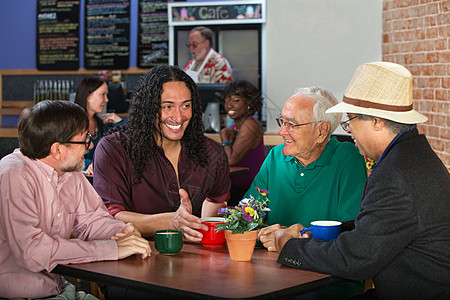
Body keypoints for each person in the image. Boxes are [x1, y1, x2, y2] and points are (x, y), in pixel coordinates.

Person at [274, 62, 450, 299]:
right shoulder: (412, 156)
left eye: (351, 121)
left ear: (377, 121)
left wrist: (288, 245)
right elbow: (377, 226)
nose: (349, 132)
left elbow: (356, 259)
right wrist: (316, 235)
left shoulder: (395, 174)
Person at [0, 100, 151, 299]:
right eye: (84, 140)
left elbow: (92, 221)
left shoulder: (70, 171)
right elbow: (32, 252)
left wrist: (121, 233)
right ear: (58, 150)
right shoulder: (14, 174)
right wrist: (110, 249)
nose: (89, 146)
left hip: (60, 289)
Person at [93, 65, 231, 243]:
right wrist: (171, 222)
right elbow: (110, 218)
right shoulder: (114, 149)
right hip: (133, 259)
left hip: (193, 262)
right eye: (167, 106)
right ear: (148, 108)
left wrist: (198, 229)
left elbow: (216, 200)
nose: (178, 117)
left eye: (186, 106)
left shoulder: (213, 153)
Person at [253, 87, 368, 299]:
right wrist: (264, 234)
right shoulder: (275, 157)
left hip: (326, 284)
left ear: (322, 131)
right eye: (282, 122)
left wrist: (289, 239)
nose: (281, 132)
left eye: (291, 124)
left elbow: (353, 234)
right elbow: (245, 216)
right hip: (271, 276)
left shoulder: (347, 158)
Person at [220, 80, 265, 205]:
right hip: (234, 188)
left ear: (248, 103)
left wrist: (225, 141)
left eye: (235, 101)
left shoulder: (250, 125)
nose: (229, 106)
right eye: (226, 101)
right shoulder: (235, 126)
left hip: (248, 192)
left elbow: (231, 160)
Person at [74, 75, 124, 175]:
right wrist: (88, 164)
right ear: (88, 97)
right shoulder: (72, 124)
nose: (107, 100)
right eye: (103, 94)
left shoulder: (103, 125)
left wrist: (119, 122)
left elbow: (124, 145)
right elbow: (68, 155)